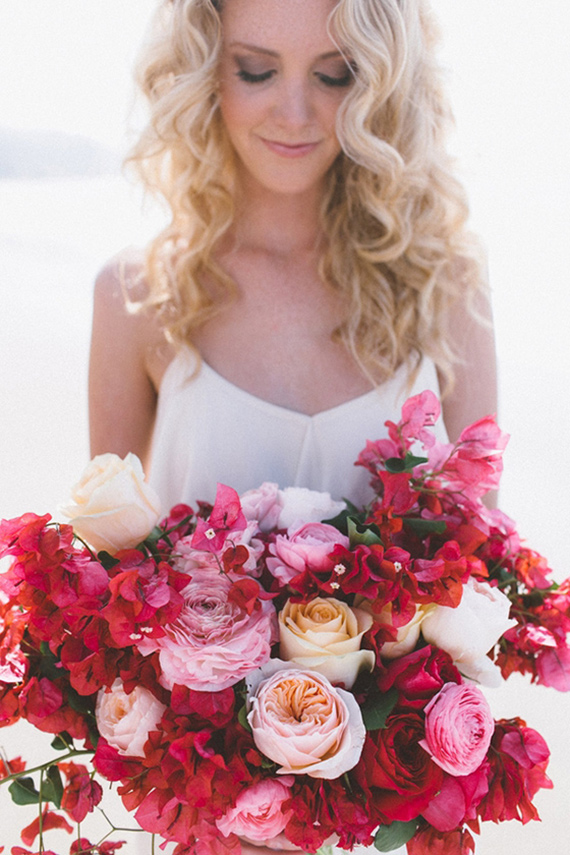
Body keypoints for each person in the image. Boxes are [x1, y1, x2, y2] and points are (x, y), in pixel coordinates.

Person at [88, 0, 497, 851]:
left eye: (336, 74)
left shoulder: (445, 288)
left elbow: (478, 575)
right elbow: (110, 598)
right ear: (206, 71)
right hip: (206, 826)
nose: (294, 110)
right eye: (256, 68)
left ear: (384, 83)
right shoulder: (138, 297)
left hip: (385, 822)